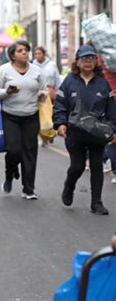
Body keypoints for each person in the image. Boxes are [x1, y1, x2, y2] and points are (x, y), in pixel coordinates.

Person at [53, 45, 116, 215]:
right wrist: (60, 124)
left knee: (96, 166)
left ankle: (97, 203)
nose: (88, 62)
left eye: (91, 59)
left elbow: (111, 108)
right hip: (75, 132)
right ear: (77, 62)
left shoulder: (103, 82)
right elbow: (59, 104)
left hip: (97, 132)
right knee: (77, 166)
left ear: (96, 61)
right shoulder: (69, 82)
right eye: (84, 59)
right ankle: (69, 186)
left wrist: (114, 130)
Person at [0, 40, 47, 200]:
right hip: (10, 116)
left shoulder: (37, 71)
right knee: (14, 150)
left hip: (31, 116)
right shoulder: (3, 71)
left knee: (30, 152)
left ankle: (28, 189)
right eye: (20, 50)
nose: (25, 53)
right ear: (12, 55)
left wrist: (42, 94)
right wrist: (6, 92)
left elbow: (44, 90)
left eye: (26, 50)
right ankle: (10, 174)